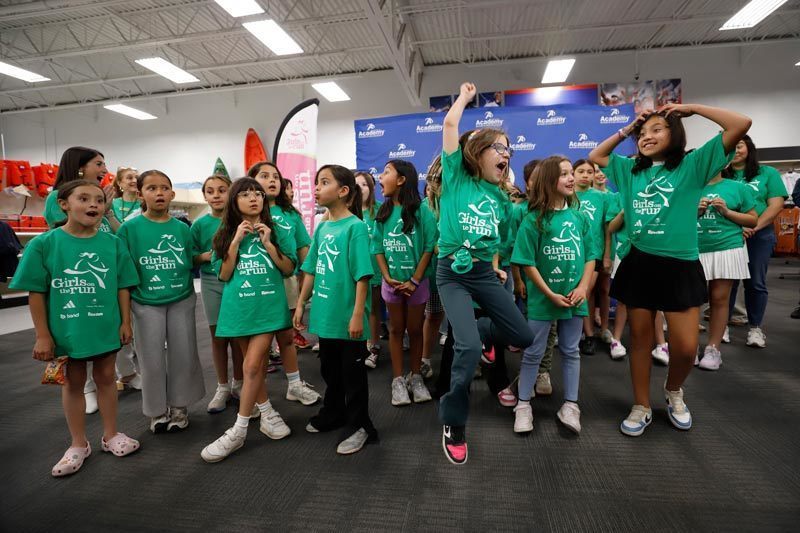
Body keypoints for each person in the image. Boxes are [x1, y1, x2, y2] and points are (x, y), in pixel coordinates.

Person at [589, 103, 751, 437]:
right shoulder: (630, 169)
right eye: (643, 133)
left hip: (680, 265)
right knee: (641, 342)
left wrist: (688, 108)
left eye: (657, 130)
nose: (647, 137)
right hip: (639, 263)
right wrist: (626, 129)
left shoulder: (693, 165)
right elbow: (597, 154)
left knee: (687, 347)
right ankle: (641, 404)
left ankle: (674, 388)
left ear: (674, 134)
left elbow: (740, 123)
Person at [10, 180, 141, 476]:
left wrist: (125, 321)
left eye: (98, 199)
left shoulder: (113, 243)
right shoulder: (44, 244)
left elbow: (123, 286)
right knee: (73, 382)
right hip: (67, 330)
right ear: (64, 204)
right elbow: (36, 292)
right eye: (84, 198)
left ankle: (111, 435)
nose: (93, 204)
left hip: (105, 326)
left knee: (107, 376)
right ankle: (78, 444)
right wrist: (43, 335)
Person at [436, 82, 533, 465]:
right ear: (477, 153)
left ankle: (477, 333)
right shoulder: (458, 177)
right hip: (451, 274)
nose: (506, 154)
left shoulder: (502, 198)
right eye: (499, 148)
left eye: (509, 150)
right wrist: (462, 97)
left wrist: (498, 269)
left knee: (523, 334)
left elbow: (499, 240)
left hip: (483, 274)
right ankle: (454, 422)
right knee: (469, 349)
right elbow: (448, 128)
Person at [200, 178, 298, 462]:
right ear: (235, 201)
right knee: (249, 364)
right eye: (245, 194)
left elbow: (288, 268)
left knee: (254, 365)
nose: (254, 198)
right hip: (238, 307)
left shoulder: (278, 229)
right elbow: (224, 274)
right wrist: (235, 243)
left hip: (268, 306)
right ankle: (267, 413)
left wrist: (268, 243)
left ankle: (238, 430)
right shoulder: (224, 232)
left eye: (257, 193)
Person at [294, 165, 378, 455]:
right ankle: (334, 413)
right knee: (330, 370)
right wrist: (302, 303)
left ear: (343, 191)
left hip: (347, 317)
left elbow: (363, 275)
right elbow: (311, 268)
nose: (316, 188)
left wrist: (357, 314)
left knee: (352, 375)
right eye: (316, 182)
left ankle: (360, 426)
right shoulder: (323, 226)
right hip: (325, 315)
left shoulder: (355, 227)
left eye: (324, 182)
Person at [116, 170, 206, 433]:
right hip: (145, 302)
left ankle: (180, 406)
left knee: (183, 353)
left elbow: (190, 259)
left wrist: (213, 254)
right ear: (140, 193)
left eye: (164, 188)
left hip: (181, 298)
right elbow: (124, 274)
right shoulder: (128, 229)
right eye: (152, 188)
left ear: (172, 194)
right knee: (150, 359)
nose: (159, 193)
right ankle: (156, 411)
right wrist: (125, 318)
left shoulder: (181, 227)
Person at [511, 156, 595, 434]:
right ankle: (523, 405)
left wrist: (583, 287)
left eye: (572, 173)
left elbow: (590, 257)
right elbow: (527, 262)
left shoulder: (580, 217)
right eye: (564, 174)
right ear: (549, 180)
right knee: (533, 352)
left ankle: (571, 405)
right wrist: (548, 293)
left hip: (576, 299)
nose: (571, 178)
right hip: (542, 300)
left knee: (571, 350)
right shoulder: (532, 220)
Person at [43, 147, 114, 416]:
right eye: (99, 163)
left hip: (101, 271)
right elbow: (66, 230)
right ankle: (85, 388)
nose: (105, 169)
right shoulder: (56, 198)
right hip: (75, 274)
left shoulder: (102, 201)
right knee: (76, 335)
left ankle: (103, 383)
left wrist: (107, 210)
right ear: (80, 167)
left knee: (102, 333)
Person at [250, 162, 321, 406]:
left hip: (287, 281)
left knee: (287, 336)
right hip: (256, 285)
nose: (272, 180)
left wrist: (308, 280)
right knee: (259, 344)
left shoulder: (290, 213)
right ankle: (258, 397)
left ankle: (294, 384)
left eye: (276, 177)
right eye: (264, 175)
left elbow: (304, 249)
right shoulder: (247, 213)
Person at [372, 160, 436, 405]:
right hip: (392, 285)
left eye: (386, 172)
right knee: (396, 330)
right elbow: (377, 246)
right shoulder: (384, 212)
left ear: (401, 180)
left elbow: (430, 246)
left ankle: (416, 376)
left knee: (416, 330)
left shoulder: (422, 211)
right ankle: (398, 380)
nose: (380, 177)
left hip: (417, 285)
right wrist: (386, 276)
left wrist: (415, 279)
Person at [723, 136, 789, 348]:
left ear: (749, 148)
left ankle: (755, 328)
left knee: (756, 282)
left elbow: (776, 204)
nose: (736, 150)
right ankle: (722, 326)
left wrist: (753, 226)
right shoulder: (721, 174)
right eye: (730, 147)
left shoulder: (767, 173)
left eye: (739, 146)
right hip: (728, 234)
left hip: (759, 234)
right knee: (727, 282)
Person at [191, 174, 245, 413]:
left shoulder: (240, 221)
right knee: (218, 337)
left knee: (239, 336)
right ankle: (222, 386)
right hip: (212, 283)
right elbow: (191, 257)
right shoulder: (199, 225)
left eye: (221, 190)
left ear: (231, 192)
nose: (216, 195)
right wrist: (211, 254)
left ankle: (240, 383)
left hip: (238, 282)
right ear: (204, 196)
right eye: (210, 191)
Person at [696, 173, 757, 369]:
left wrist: (726, 211)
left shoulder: (737, 188)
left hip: (727, 247)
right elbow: (673, 217)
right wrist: (695, 212)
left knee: (720, 299)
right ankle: (688, 347)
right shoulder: (689, 184)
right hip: (693, 247)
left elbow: (752, 220)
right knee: (689, 302)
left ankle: (713, 349)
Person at [573, 159, 609, 354]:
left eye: (590, 172)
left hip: (593, 254)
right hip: (571, 254)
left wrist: (607, 255)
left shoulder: (601, 197)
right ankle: (574, 334)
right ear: (573, 173)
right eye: (581, 171)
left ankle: (589, 335)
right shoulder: (567, 196)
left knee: (584, 294)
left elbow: (607, 227)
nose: (586, 175)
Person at [355, 171, 384, 368]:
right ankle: (358, 347)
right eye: (356, 185)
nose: (360, 189)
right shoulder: (349, 212)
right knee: (356, 308)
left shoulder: (380, 211)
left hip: (375, 270)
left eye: (364, 184)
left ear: (371, 188)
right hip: (354, 270)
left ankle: (373, 347)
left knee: (373, 310)